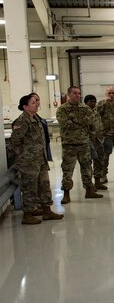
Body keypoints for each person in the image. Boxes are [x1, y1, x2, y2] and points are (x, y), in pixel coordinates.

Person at [10, 93, 63, 224]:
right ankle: (28, 214)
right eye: (33, 103)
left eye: (37, 102)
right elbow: (15, 142)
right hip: (29, 162)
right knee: (30, 188)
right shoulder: (22, 121)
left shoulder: (36, 119)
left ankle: (47, 210)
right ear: (25, 107)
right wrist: (23, 157)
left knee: (44, 185)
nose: (37, 104)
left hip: (40, 159)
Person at [56, 85, 103, 203]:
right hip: (69, 144)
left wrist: (75, 121)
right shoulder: (62, 109)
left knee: (87, 168)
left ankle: (89, 190)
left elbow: (93, 124)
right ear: (69, 95)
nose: (78, 95)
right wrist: (82, 122)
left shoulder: (85, 108)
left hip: (83, 143)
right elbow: (65, 124)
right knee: (67, 170)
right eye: (75, 93)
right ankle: (66, 194)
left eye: (79, 93)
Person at [96, 86, 114, 183]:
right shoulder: (101, 104)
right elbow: (95, 114)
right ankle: (103, 175)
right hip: (106, 135)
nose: (111, 95)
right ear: (106, 94)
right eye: (109, 93)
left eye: (113, 93)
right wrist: (105, 103)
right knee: (105, 156)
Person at [83, 95, 108, 191]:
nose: (93, 103)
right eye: (90, 101)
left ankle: (97, 182)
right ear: (86, 102)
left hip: (98, 140)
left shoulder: (96, 112)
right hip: (88, 141)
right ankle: (89, 185)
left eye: (94, 101)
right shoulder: (83, 112)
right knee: (88, 164)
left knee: (99, 162)